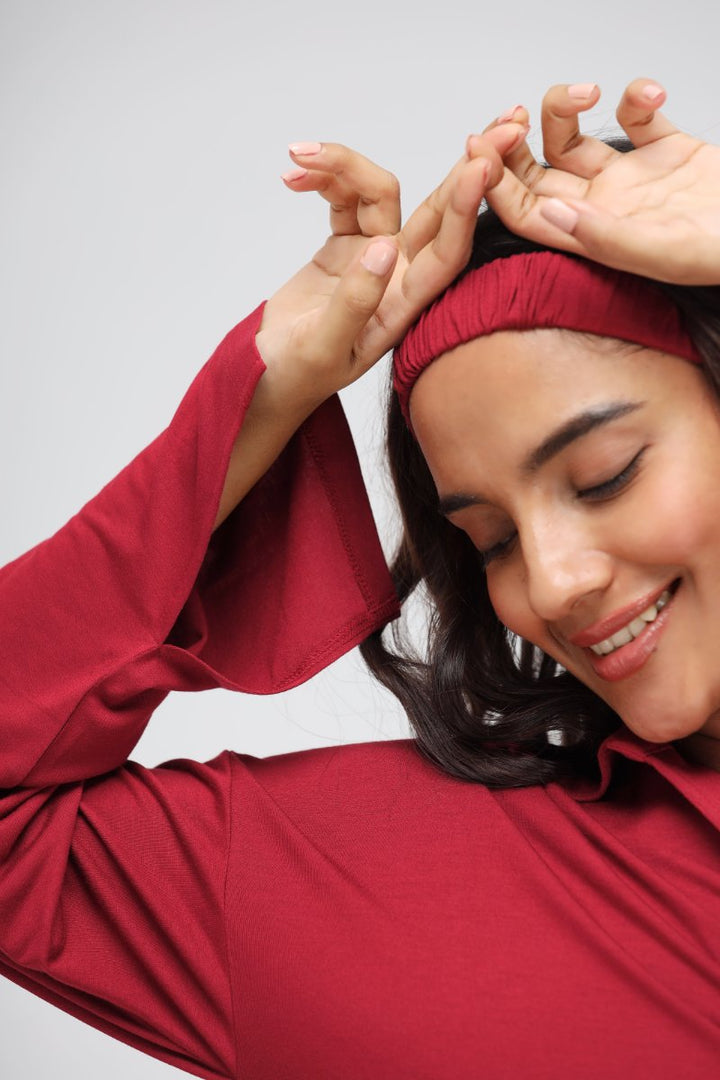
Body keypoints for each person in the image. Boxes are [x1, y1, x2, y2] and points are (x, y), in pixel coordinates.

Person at [1, 77, 719, 1079]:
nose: (553, 586)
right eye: (490, 542)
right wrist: (262, 400)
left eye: (606, 478)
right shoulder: (363, 886)